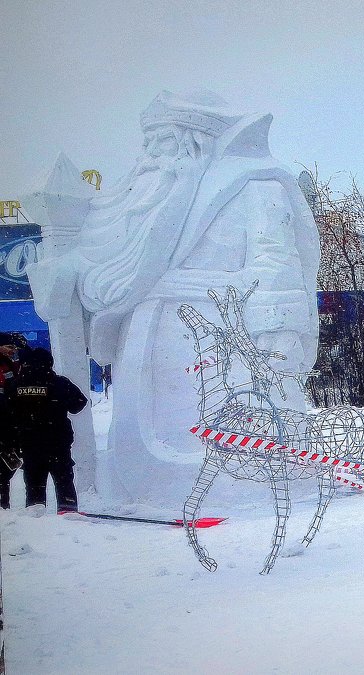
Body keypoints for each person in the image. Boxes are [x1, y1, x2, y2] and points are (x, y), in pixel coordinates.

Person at [27, 90, 319, 506]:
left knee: (236, 427)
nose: (150, 155)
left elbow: (278, 260)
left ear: (193, 141)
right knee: (153, 426)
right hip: (149, 333)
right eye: (147, 143)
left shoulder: (255, 184)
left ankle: (239, 491)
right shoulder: (145, 199)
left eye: (161, 142)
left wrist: (282, 331)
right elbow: (103, 261)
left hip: (225, 332)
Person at [8, 348, 87, 512]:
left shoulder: (15, 385)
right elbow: (79, 403)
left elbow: (7, 413)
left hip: (29, 445)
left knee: (34, 484)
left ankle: (36, 516)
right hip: (57, 443)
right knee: (63, 480)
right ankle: (68, 511)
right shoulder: (59, 383)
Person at [0, 332, 28, 509]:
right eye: (10, 347)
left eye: (15, 348)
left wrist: (24, 348)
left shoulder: (10, 365)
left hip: (9, 423)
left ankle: (4, 505)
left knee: (7, 466)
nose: (13, 351)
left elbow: (32, 361)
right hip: (4, 423)